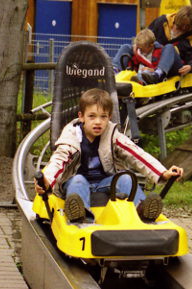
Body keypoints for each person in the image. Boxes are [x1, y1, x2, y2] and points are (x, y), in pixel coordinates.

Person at [34, 88, 183, 223]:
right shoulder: (71, 138)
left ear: (109, 117)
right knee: (78, 181)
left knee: (125, 177)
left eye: (103, 117)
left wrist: (162, 173)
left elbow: (137, 154)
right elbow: (58, 161)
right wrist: (47, 180)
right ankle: (81, 216)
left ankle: (141, 212)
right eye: (92, 116)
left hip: (104, 183)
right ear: (81, 117)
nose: (98, 122)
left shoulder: (113, 136)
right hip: (74, 183)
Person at [141, 5, 192, 84]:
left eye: (187, 27)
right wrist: (137, 46)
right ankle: (124, 72)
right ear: (176, 20)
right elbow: (146, 36)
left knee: (169, 48)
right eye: (180, 26)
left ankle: (158, 74)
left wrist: (191, 66)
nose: (183, 28)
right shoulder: (162, 22)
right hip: (153, 61)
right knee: (126, 47)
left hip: (176, 67)